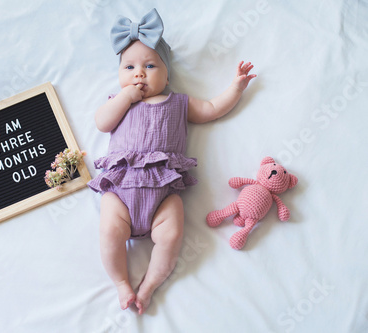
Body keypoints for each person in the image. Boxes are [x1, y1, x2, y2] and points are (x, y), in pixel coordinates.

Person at [87, 8, 256, 314]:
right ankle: (122, 284)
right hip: (120, 191)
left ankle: (149, 285)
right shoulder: (117, 102)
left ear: (166, 73)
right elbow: (101, 122)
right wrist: (126, 98)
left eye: (150, 65)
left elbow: (213, 108)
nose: (139, 73)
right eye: (129, 67)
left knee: (172, 234)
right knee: (109, 231)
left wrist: (236, 88)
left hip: (163, 195)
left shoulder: (179, 102)